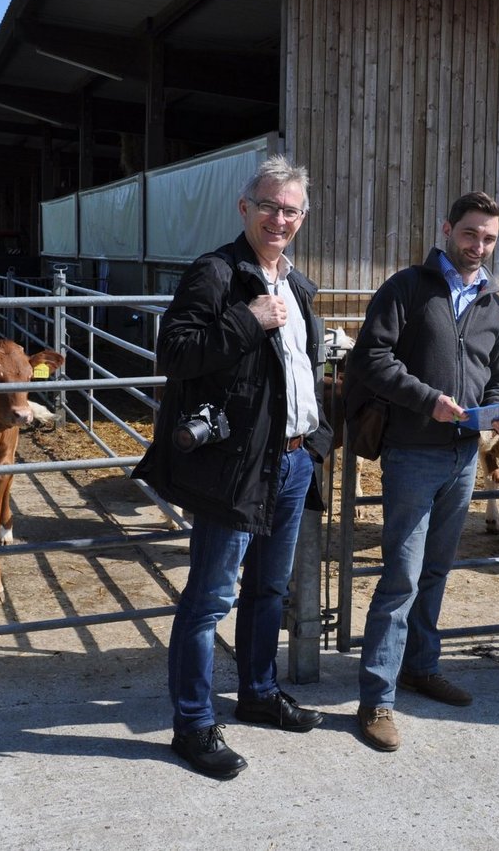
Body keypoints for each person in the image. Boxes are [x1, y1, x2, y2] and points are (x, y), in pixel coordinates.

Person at [132, 155, 334, 779]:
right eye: (269, 205)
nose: (280, 218)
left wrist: (317, 437)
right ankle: (193, 724)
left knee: (269, 587)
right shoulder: (216, 273)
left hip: (295, 460)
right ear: (244, 208)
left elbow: (301, 370)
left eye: (291, 209)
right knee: (209, 598)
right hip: (237, 467)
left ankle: (257, 690)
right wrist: (247, 319)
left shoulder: (296, 284)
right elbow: (176, 351)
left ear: (303, 217)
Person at [347, 191, 499, 752]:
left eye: (489, 238)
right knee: (400, 572)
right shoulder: (407, 288)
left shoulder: (494, 304)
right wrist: (428, 401)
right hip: (414, 452)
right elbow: (371, 358)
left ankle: (420, 665)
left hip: (464, 453)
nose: (478, 246)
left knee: (437, 569)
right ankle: (376, 697)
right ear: (447, 228)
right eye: (470, 233)